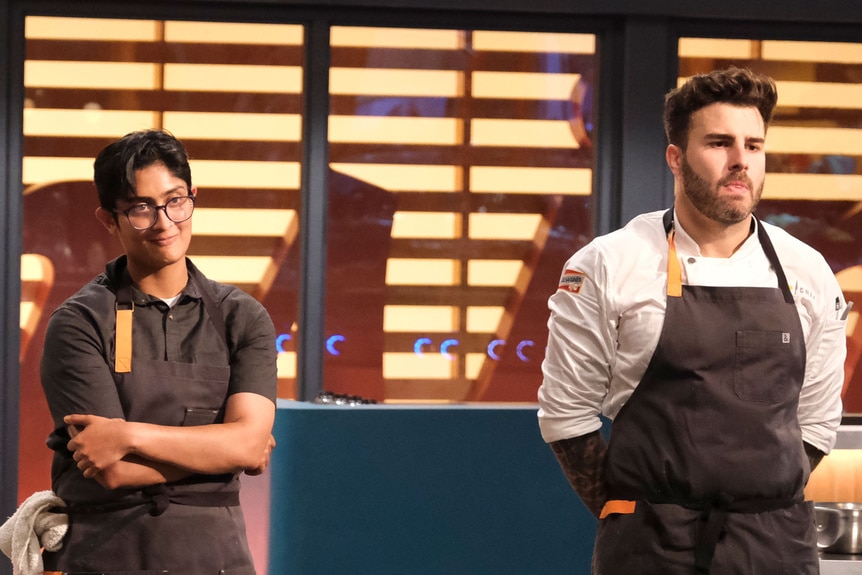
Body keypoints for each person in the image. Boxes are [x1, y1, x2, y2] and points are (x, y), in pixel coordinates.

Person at [537, 67, 849, 574]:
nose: (739, 162)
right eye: (720, 143)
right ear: (676, 159)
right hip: (650, 548)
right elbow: (565, 416)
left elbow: (815, 421)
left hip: (774, 548)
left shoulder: (807, 270)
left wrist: (756, 500)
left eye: (753, 145)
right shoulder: (610, 264)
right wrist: (625, 513)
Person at [38, 129, 278, 574]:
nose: (165, 222)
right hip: (109, 554)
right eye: (141, 209)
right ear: (109, 219)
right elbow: (112, 471)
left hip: (218, 556)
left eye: (176, 201)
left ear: (193, 198)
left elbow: (247, 445)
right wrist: (224, 453)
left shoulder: (242, 317)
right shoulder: (79, 323)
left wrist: (130, 436)